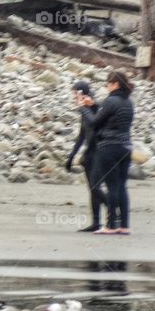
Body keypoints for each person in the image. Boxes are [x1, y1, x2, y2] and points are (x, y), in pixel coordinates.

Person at [76, 71, 135, 235]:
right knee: (122, 186)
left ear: (115, 84)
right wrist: (93, 105)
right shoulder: (128, 102)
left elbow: (94, 123)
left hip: (109, 148)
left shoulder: (110, 101)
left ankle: (110, 225)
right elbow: (107, 116)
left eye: (108, 83)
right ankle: (124, 225)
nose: (107, 86)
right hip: (126, 148)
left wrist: (83, 108)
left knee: (109, 186)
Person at [65, 80, 106, 232]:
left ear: (82, 93)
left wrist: (87, 106)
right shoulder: (83, 110)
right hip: (89, 151)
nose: (74, 96)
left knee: (96, 187)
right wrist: (72, 156)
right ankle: (96, 222)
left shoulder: (96, 107)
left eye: (76, 93)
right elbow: (82, 135)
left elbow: (96, 124)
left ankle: (113, 210)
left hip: (100, 150)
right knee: (92, 188)